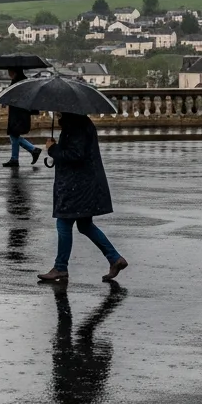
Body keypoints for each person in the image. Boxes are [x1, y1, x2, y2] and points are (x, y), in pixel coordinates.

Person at [37, 112, 127, 283]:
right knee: (85, 225)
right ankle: (115, 259)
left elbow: (76, 154)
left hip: (77, 185)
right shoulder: (78, 122)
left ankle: (60, 267)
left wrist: (53, 149)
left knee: (63, 222)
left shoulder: (76, 125)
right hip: (83, 183)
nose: (56, 112)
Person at [3, 68, 41, 167]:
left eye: (9, 71)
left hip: (18, 114)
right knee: (14, 135)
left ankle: (31, 150)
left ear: (14, 72)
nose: (8, 73)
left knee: (14, 135)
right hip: (21, 114)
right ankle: (16, 157)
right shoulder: (24, 82)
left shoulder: (17, 83)